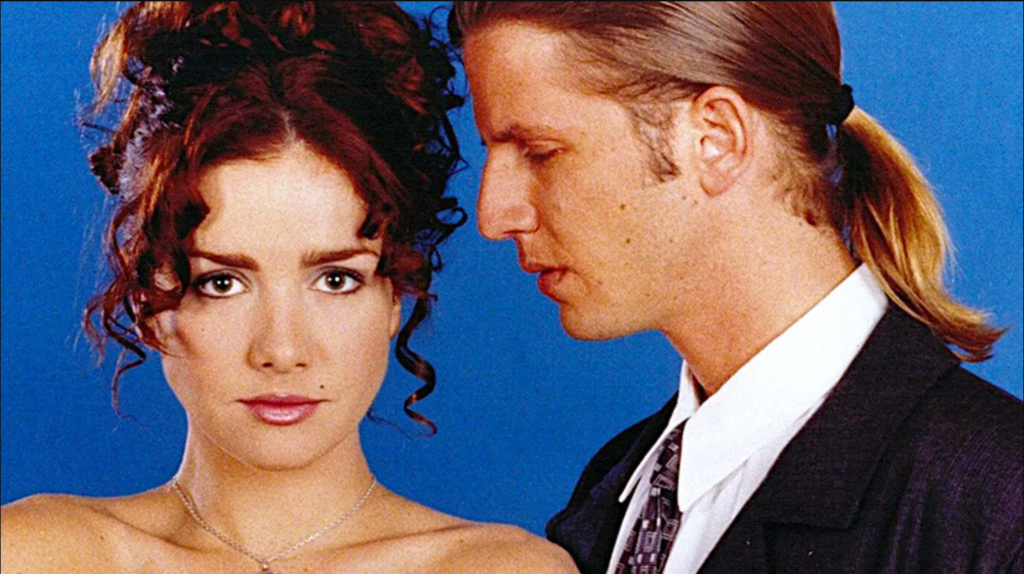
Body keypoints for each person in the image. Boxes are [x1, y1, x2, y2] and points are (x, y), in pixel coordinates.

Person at [0, 3, 578, 573]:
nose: (281, 350)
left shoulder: (500, 569)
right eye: (222, 283)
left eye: (335, 279)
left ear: (394, 297)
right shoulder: (33, 554)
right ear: (150, 304)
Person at [448, 2, 1023, 573]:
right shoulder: (619, 484)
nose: (493, 215)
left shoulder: (996, 507)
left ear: (716, 138)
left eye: (541, 152)